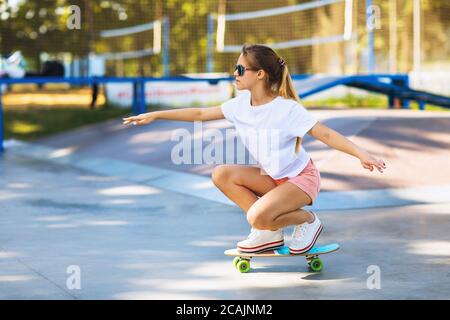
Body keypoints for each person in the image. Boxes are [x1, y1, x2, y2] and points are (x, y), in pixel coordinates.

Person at [122, 44, 386, 254]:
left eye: (240, 69)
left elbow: (326, 134)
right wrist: (156, 114)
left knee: (257, 216)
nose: (234, 73)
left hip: (300, 181)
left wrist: (361, 154)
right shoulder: (239, 106)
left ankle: (306, 220)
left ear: (259, 74)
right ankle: (269, 231)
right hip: (273, 179)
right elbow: (201, 112)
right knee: (222, 174)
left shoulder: (286, 109)